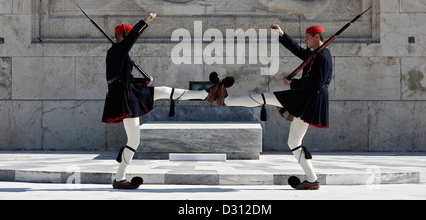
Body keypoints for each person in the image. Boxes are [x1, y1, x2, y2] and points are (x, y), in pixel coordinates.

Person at [102, 13, 231, 189]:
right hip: (125, 97)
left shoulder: (120, 53)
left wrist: (143, 81)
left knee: (163, 91)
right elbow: (129, 44)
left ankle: (206, 93)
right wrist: (145, 22)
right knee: (133, 141)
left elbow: (124, 78)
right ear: (123, 37)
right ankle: (119, 177)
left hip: (130, 91)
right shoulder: (117, 50)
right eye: (127, 36)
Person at [220, 24, 332, 190]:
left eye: (308, 37)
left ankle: (227, 100)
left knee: (266, 97)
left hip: (308, 99)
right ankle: (312, 179)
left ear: (317, 37)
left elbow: (315, 84)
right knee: (294, 141)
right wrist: (282, 34)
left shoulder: (322, 56)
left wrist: (292, 83)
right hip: (309, 99)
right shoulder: (316, 53)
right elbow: (299, 52)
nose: (305, 40)